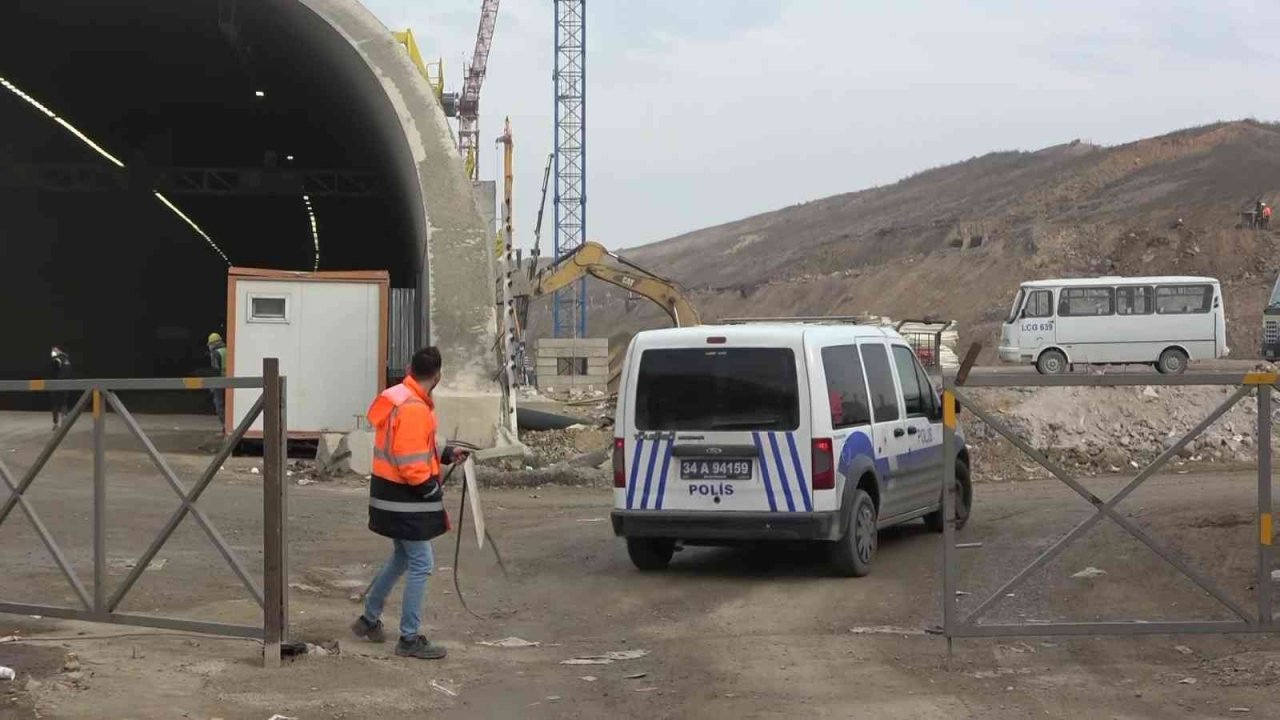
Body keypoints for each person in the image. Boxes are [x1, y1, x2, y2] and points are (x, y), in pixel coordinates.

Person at [350, 347, 470, 660]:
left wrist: (444, 453)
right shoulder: (415, 407)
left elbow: (410, 444)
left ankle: (369, 618)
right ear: (438, 376)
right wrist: (430, 490)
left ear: (409, 368)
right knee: (422, 562)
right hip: (405, 499)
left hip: (387, 495)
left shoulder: (397, 396)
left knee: (403, 557)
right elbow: (409, 460)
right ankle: (409, 637)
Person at [207, 333, 227, 431]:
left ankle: (225, 426)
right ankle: (229, 426)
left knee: (219, 404)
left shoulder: (215, 354)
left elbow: (215, 370)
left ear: (213, 344)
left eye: (210, 344)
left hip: (220, 382)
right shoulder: (227, 350)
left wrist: (212, 385)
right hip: (230, 381)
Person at [49, 346, 71, 430]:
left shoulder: (57, 359)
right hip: (65, 385)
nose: (52, 352)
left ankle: (56, 424)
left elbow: (54, 370)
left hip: (56, 385)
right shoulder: (67, 360)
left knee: (55, 404)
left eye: (54, 351)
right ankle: (64, 421)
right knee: (64, 403)